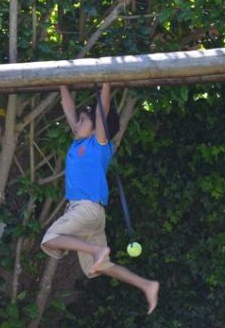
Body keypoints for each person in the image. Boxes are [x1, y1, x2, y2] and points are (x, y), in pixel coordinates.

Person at [41, 83, 159, 314]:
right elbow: (69, 108)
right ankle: (146, 285)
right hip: (92, 216)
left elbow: (101, 112)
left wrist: (105, 83)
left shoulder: (98, 145)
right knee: (103, 266)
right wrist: (62, 83)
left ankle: (95, 250)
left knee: (50, 239)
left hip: (85, 210)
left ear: (97, 127)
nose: (76, 124)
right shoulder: (78, 143)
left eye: (83, 121)